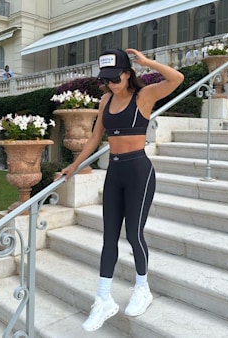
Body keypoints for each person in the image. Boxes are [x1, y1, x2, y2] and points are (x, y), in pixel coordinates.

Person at [57, 48, 184, 332]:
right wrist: (74, 166)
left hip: (139, 171)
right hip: (114, 173)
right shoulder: (105, 100)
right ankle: (103, 299)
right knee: (109, 237)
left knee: (134, 234)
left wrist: (148, 62)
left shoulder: (144, 96)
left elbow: (177, 78)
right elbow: (94, 138)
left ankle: (143, 287)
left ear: (128, 73)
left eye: (116, 78)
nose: (111, 84)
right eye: (107, 79)